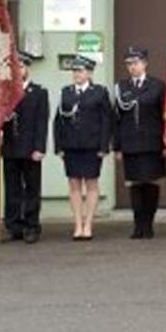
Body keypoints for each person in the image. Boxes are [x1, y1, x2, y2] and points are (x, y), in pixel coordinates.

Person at [55, 56, 112, 241]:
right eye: (74, 71)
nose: (76, 74)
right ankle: (78, 224)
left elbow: (106, 121)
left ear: (89, 73)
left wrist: (104, 146)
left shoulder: (99, 92)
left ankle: (88, 224)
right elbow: (58, 120)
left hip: (92, 146)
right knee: (74, 185)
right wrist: (58, 146)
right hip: (71, 146)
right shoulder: (66, 92)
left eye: (80, 71)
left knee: (91, 184)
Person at [113, 47, 166, 240]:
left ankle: (149, 224)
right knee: (135, 184)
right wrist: (117, 146)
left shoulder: (158, 86)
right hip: (130, 144)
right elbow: (116, 119)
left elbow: (165, 117)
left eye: (135, 63)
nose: (132, 67)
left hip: (152, 143)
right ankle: (138, 225)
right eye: (129, 64)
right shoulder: (121, 88)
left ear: (145, 63)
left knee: (151, 182)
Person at [0, 50, 48, 243]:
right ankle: (13, 226)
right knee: (12, 188)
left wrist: (40, 148)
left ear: (27, 68)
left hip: (30, 148)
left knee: (31, 189)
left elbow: (41, 123)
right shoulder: (5, 92)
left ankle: (31, 226)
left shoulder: (38, 92)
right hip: (11, 146)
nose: (18, 70)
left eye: (21, 66)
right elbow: (0, 119)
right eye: (14, 67)